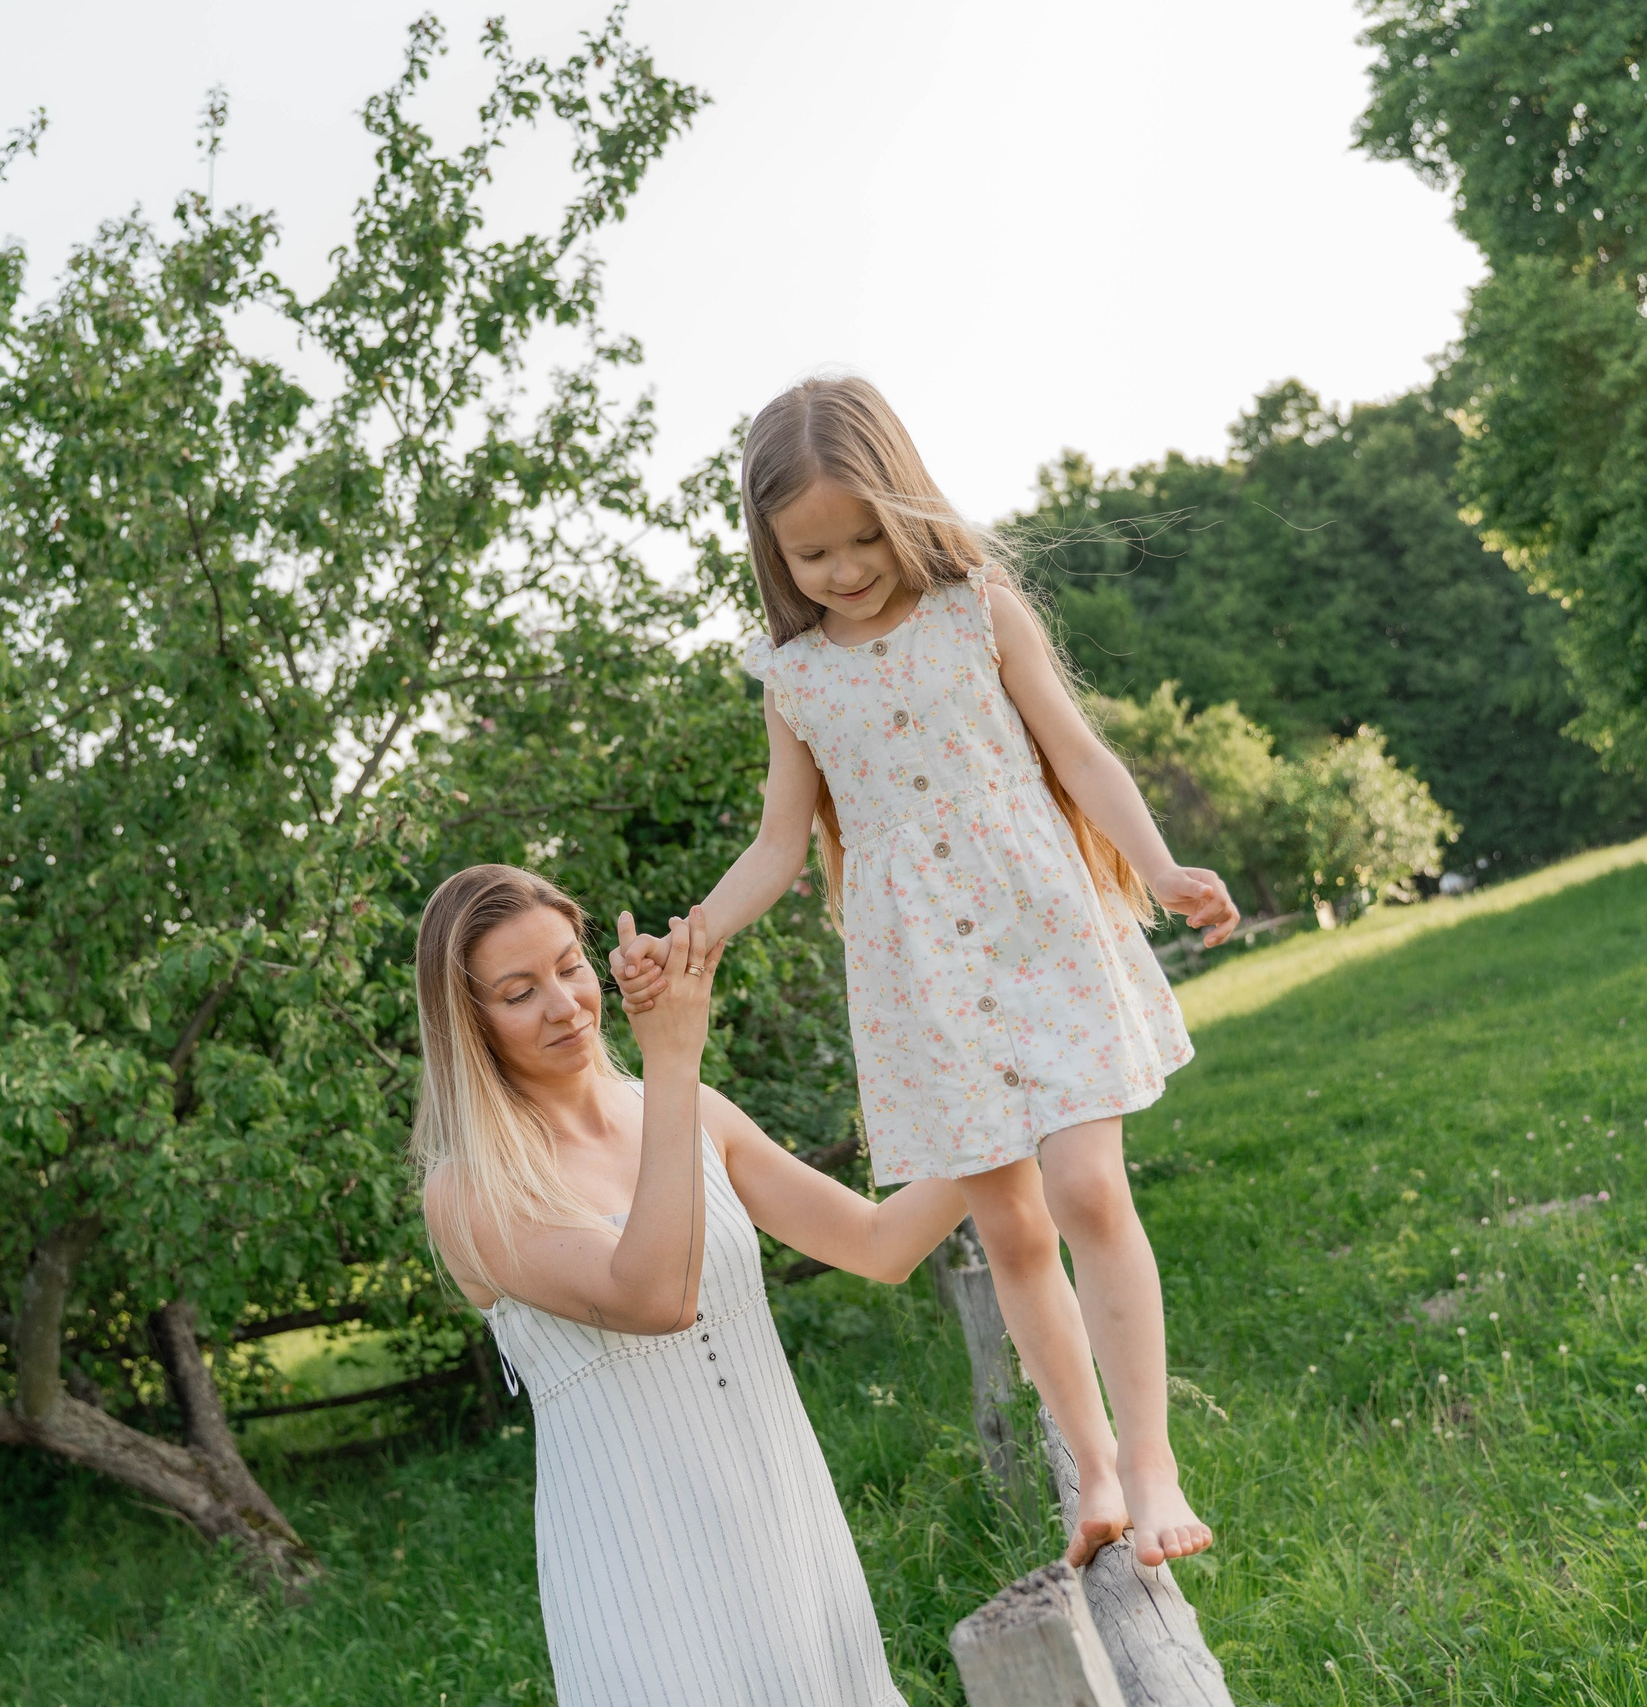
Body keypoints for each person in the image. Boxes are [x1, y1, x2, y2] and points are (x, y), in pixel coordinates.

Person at [613, 375, 1241, 1569]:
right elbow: (778, 844)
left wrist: (1157, 869)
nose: (845, 569)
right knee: (1008, 1233)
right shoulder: (795, 682)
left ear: (904, 504)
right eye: (812, 554)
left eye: (861, 537)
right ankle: (1093, 1473)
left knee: (1089, 1193)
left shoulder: (976, 610)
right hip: (919, 979)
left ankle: (1154, 1464)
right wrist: (692, 932)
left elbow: (1079, 753)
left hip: (1040, 928)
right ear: (770, 551)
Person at [413, 863, 965, 1707]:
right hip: (645, 1574)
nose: (565, 1004)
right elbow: (655, 1297)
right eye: (519, 991)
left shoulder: (685, 1106)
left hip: (787, 1526)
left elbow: (878, 1243)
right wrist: (672, 1058)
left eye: (569, 966)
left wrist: (1020, 1117)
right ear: (470, 1023)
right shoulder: (471, 1189)